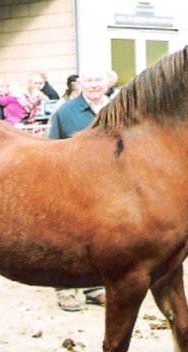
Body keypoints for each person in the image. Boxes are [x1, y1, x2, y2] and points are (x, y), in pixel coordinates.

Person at [47, 67, 109, 311]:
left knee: (99, 240)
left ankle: (94, 287)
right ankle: (66, 290)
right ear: (80, 84)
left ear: (107, 83)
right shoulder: (65, 112)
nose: (94, 85)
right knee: (67, 240)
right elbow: (52, 149)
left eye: (98, 79)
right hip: (73, 186)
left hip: (108, 188)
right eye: (89, 80)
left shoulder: (120, 107)